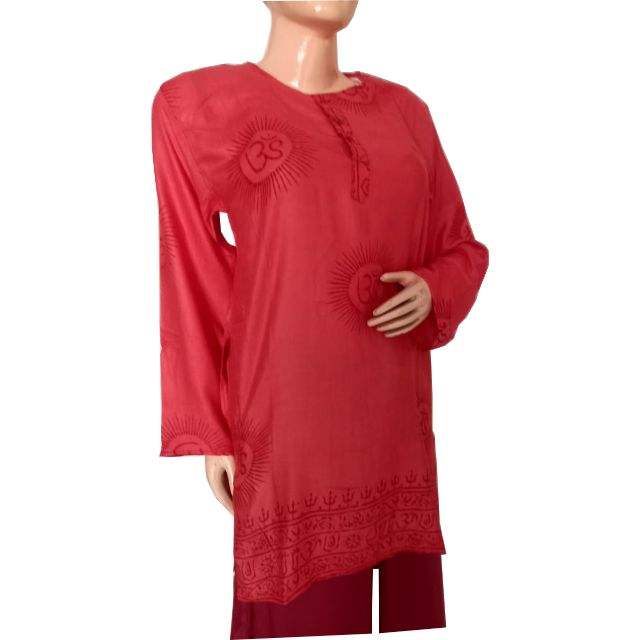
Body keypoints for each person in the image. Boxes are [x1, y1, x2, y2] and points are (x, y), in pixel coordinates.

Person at [150, 2, 489, 637]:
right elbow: (192, 272)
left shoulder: (406, 114)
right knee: (300, 614)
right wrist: (213, 429)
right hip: (288, 430)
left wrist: (433, 287)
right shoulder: (199, 107)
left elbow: (461, 248)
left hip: (393, 430)